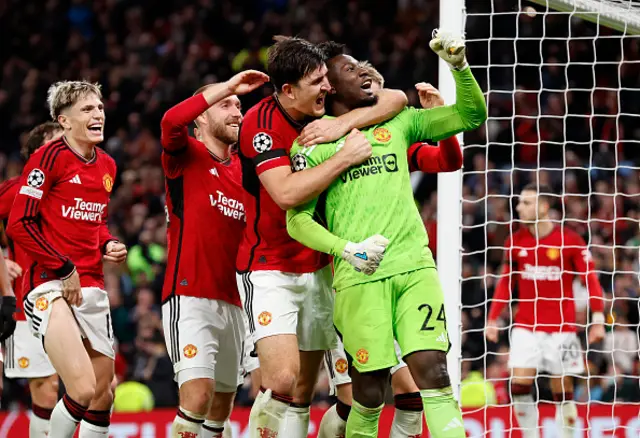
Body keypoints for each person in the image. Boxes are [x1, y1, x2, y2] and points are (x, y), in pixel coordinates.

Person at [286, 29, 487, 438]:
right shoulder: (313, 142)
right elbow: (297, 220)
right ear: (329, 85)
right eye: (349, 69)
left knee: (432, 369)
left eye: (361, 65)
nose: (363, 71)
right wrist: (348, 250)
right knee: (370, 390)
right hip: (359, 278)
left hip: (414, 265)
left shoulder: (397, 121)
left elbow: (470, 116)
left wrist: (459, 67)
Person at [236, 36, 408, 437]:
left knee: (309, 390)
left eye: (325, 79)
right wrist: (345, 155)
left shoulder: (325, 109)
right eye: (316, 82)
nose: (327, 88)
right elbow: (286, 194)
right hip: (270, 267)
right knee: (281, 380)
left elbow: (396, 98)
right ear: (287, 91)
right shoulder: (259, 125)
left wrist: (343, 124)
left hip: (325, 265)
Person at [318, 54, 464, 438]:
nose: (372, 87)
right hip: (349, 276)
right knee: (357, 397)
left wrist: (442, 123)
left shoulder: (395, 131)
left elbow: (448, 161)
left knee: (417, 387)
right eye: (357, 74)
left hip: (402, 267)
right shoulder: (319, 136)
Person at [7, 80, 128, 438]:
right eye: (88, 109)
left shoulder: (107, 165)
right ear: (64, 121)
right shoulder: (47, 158)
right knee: (81, 388)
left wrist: (108, 243)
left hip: (91, 282)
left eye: (100, 108)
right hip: (48, 282)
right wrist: (64, 268)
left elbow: (96, 220)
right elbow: (19, 222)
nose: (98, 114)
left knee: (104, 394)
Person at [160, 69, 268, 438]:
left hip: (236, 301)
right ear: (201, 117)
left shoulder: (246, 170)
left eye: (239, 105)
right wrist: (229, 85)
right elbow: (171, 120)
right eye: (226, 105)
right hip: (189, 296)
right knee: (197, 395)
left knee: (221, 408)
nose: (237, 111)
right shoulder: (185, 155)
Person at [485, 182, 605, 438]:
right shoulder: (514, 241)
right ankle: (530, 435)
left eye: (526, 203)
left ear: (544, 206)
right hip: (526, 326)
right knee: (519, 384)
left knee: (562, 387)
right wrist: (493, 318)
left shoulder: (569, 240)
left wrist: (597, 319)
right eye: (519, 202)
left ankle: (567, 435)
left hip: (562, 328)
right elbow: (506, 282)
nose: (519, 207)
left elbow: (591, 279)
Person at [0, 121, 63, 437]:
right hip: (27, 302)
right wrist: (1, 260)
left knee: (89, 385)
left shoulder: (71, 188)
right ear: (37, 152)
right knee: (44, 388)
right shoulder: (17, 189)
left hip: (68, 296)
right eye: (56, 142)